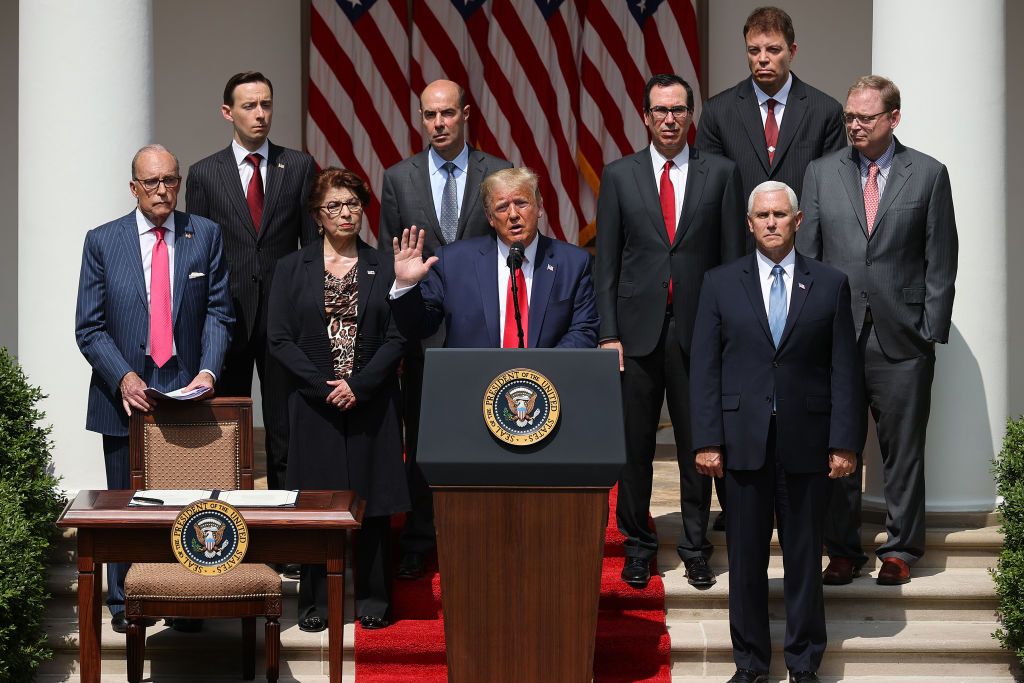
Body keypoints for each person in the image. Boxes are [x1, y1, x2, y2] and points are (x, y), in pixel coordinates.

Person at [690, 181, 864, 683]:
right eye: (762, 215)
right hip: (741, 444)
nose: (770, 223)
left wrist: (844, 441)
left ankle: (805, 662)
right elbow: (705, 368)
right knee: (744, 561)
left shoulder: (830, 284)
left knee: (806, 558)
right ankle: (749, 664)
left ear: (797, 221)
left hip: (807, 445)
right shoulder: (720, 283)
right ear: (749, 224)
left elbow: (843, 371)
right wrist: (707, 440)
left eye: (780, 215)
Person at [798, 75, 958, 586]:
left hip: (903, 338)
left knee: (903, 449)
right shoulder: (822, 173)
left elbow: (941, 258)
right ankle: (843, 549)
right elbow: (808, 258)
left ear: (894, 118)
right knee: (837, 444)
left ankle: (902, 548)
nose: (855, 125)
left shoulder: (929, 174)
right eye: (849, 116)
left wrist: (929, 330)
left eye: (865, 117)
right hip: (835, 336)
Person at [594, 73, 746, 590]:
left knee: (698, 445)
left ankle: (695, 547)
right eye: (660, 111)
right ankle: (638, 546)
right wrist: (607, 333)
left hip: (700, 333)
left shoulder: (722, 174)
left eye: (678, 110)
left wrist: (730, 333)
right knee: (634, 448)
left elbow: (732, 263)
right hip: (633, 338)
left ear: (690, 115)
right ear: (645, 116)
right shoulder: (618, 176)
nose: (669, 119)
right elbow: (607, 264)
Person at [75, 144, 233, 634]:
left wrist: (208, 371)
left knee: (186, 503)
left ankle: (185, 601)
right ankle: (125, 603)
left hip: (186, 395)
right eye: (152, 182)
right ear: (133, 187)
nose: (163, 190)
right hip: (124, 398)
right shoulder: (103, 241)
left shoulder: (203, 234)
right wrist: (122, 374)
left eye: (171, 180)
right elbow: (90, 326)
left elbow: (219, 313)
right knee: (127, 503)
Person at [378, 79, 512, 580]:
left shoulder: (497, 172)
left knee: (488, 437)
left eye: (447, 114)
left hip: (485, 329)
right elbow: (390, 261)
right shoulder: (398, 178)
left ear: (465, 114)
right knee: (423, 439)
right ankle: (418, 535)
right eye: (429, 115)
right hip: (422, 336)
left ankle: (483, 535)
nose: (438, 123)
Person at [267, 168, 408, 632]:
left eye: (353, 204)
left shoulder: (384, 265)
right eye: (335, 206)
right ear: (317, 215)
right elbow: (280, 339)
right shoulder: (292, 267)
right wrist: (323, 384)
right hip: (314, 405)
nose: (346, 214)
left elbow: (397, 336)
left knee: (372, 505)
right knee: (317, 509)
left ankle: (373, 599)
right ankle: (314, 603)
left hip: (371, 403)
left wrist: (360, 385)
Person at [185, 71, 317, 503]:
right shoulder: (205, 174)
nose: (260, 114)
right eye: (249, 106)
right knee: (226, 429)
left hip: (284, 319)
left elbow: (310, 249)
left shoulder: (297, 166)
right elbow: (197, 256)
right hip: (227, 318)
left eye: (266, 104)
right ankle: (227, 529)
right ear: (228, 112)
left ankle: (285, 528)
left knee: (284, 429)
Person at [390, 167, 598, 350]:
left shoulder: (574, 262)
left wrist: (539, 370)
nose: (513, 214)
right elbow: (419, 327)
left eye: (521, 203)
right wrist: (406, 286)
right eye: (502, 207)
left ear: (540, 207)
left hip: (547, 386)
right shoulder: (452, 261)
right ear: (490, 217)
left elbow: (584, 330)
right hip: (474, 387)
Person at [696, 5, 845, 203]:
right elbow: (707, 191)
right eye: (754, 50)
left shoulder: (826, 111)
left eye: (773, 50)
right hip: (739, 233)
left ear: (792, 52)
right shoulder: (717, 111)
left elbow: (832, 192)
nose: (763, 59)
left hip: (802, 233)